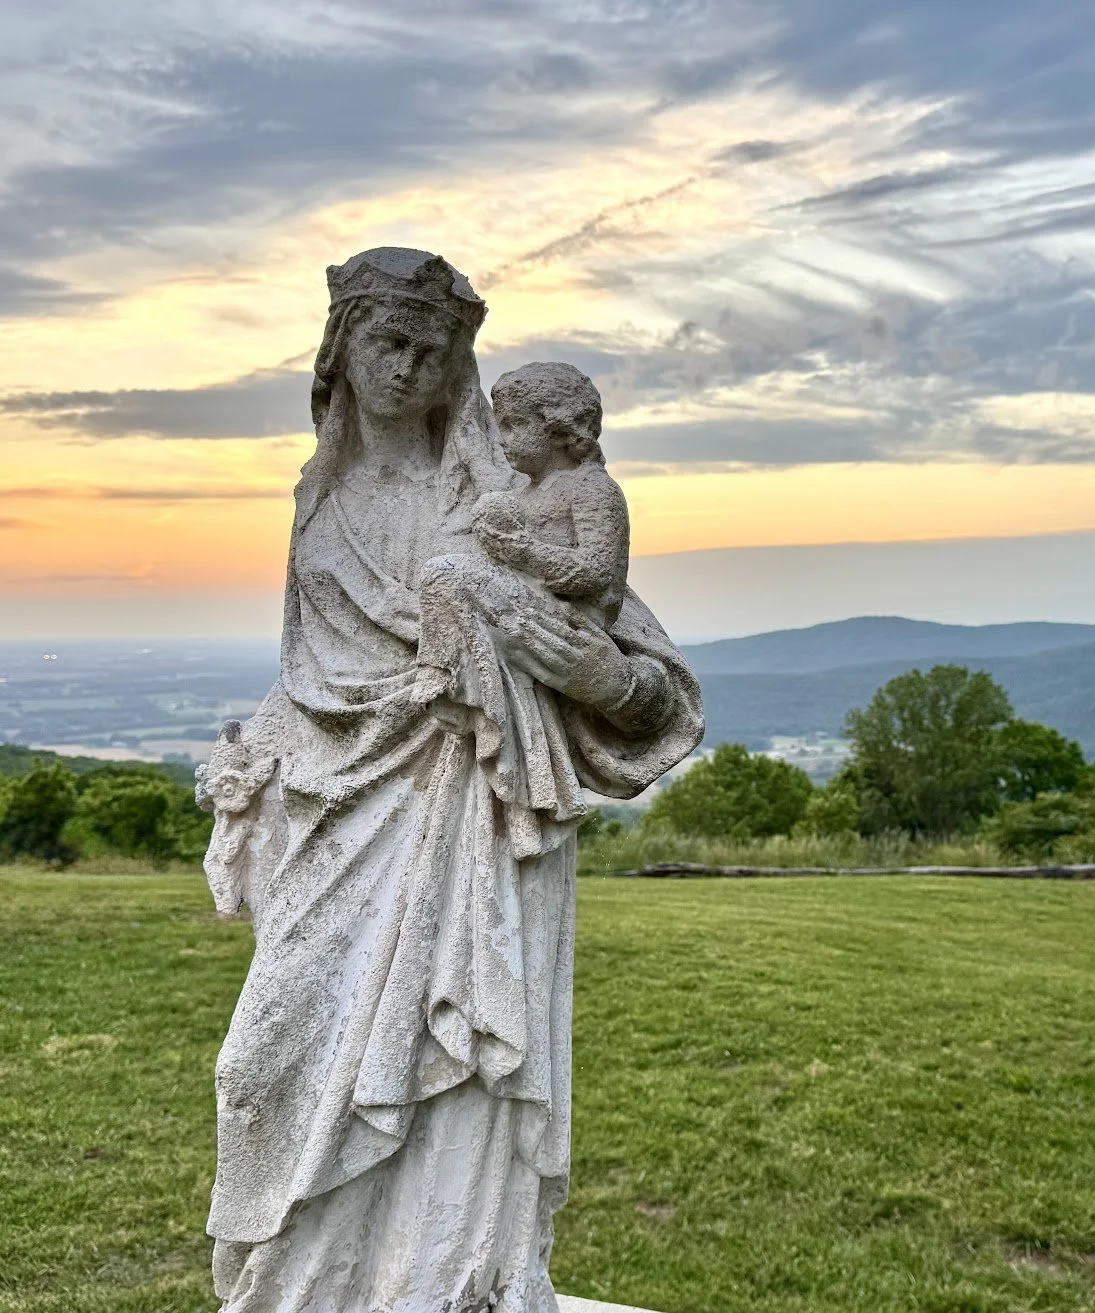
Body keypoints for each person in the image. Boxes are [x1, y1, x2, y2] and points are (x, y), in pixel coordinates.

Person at [194, 247, 702, 1313]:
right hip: (333, 811)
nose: (407, 369)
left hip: (478, 806)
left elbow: (644, 678)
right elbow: (315, 671)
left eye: (432, 351)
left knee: (459, 1073)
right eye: (387, 342)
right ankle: (299, 1286)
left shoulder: (493, 499)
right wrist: (254, 756)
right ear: (341, 350)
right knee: (261, 1068)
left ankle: (442, 1284)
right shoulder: (318, 502)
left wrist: (599, 675)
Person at [410, 362, 631, 851]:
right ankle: (446, 672)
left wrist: (520, 552)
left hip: (573, 627)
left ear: (556, 428)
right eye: (499, 424)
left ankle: (440, 672)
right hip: (529, 610)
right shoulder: (522, 495)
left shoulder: (593, 490)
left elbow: (597, 572)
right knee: (442, 574)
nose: (503, 438)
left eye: (512, 424)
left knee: (447, 574)